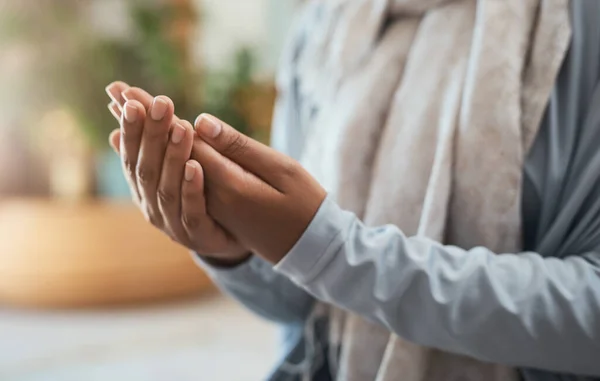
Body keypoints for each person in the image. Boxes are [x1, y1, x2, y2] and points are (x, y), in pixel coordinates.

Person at [105, 0, 600, 380]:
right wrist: (228, 250)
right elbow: (303, 307)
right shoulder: (325, 25)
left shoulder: (578, 26)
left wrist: (339, 255)